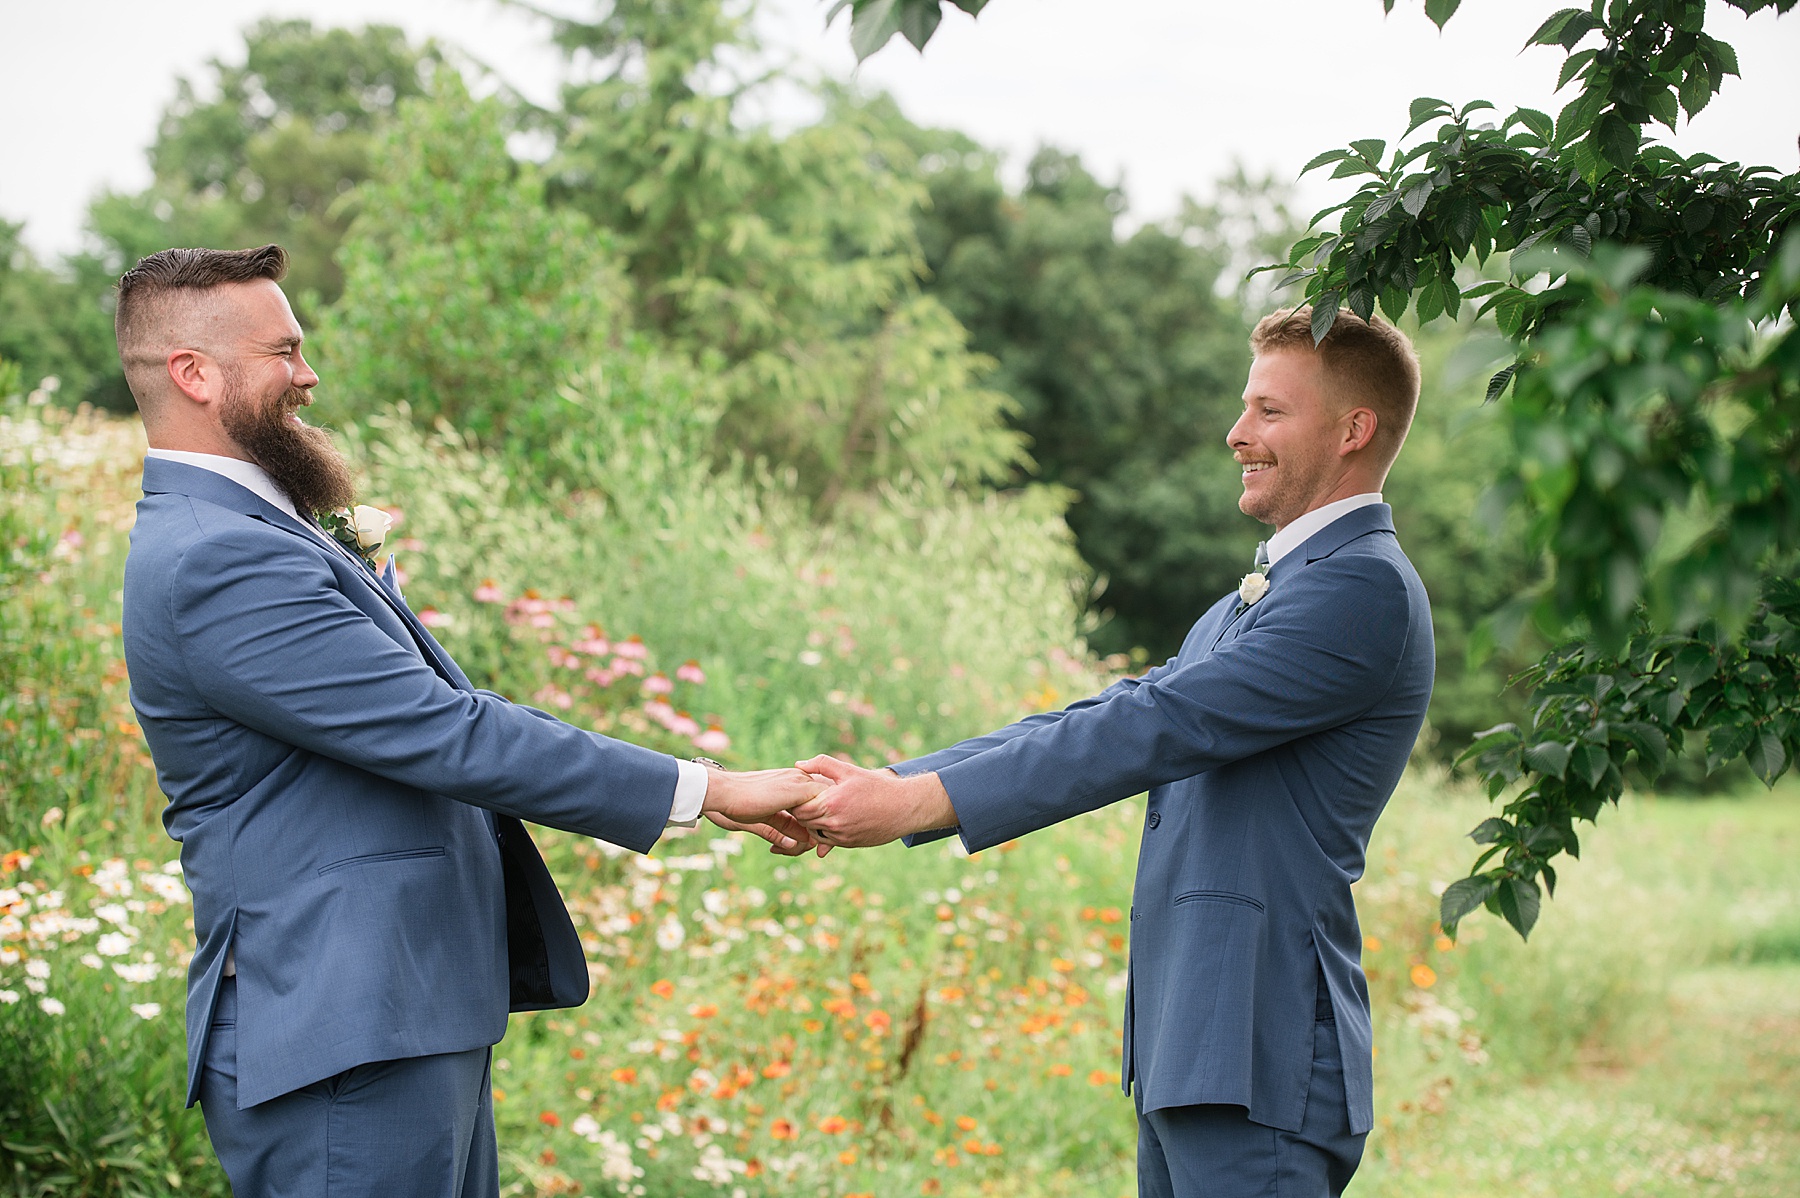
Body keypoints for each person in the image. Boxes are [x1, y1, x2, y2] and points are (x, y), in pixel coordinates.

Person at [115, 244, 822, 1197]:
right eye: (282, 352)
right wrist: (711, 789)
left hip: (394, 1014)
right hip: (342, 1031)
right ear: (193, 373)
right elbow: (449, 733)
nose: (307, 375)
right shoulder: (219, 561)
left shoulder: (254, 533)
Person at [791, 306, 1435, 1198]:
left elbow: (1153, 729)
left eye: (1269, 412)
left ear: (1354, 429)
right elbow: (1118, 706)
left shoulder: (1360, 589)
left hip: (1260, 1041)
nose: (1236, 433)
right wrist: (898, 782)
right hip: (1196, 1045)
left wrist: (916, 806)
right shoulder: (1265, 593)